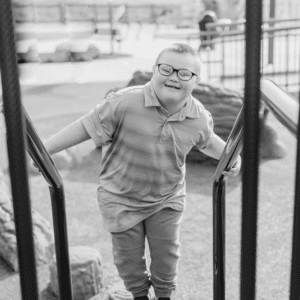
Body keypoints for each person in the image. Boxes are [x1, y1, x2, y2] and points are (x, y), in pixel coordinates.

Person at [32, 43, 241, 300]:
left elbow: (208, 141)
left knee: (167, 257)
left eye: (185, 73)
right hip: (120, 198)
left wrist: (232, 158)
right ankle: (139, 295)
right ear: (154, 70)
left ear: (195, 81)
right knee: (128, 262)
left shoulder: (198, 116)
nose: (174, 77)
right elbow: (86, 127)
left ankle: (164, 296)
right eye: (167, 69)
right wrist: (45, 149)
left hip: (167, 199)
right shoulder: (125, 102)